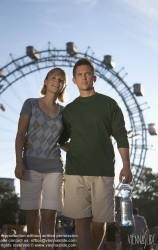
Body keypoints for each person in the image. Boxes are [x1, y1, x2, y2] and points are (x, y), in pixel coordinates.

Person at [59, 58, 132, 250]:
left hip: (103, 171)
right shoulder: (69, 110)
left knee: (100, 223)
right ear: (74, 80)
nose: (84, 78)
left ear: (94, 77)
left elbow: (121, 135)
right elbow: (60, 139)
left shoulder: (109, 104)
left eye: (87, 74)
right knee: (81, 221)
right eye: (80, 75)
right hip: (75, 172)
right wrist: (72, 150)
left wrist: (126, 165)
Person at [14, 67, 67, 250]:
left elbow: (63, 141)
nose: (56, 81)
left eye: (61, 80)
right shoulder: (30, 103)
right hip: (30, 166)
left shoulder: (63, 112)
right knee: (32, 219)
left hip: (54, 167)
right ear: (45, 81)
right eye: (53, 77)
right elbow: (21, 134)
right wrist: (19, 162)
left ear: (63, 86)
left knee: (49, 217)